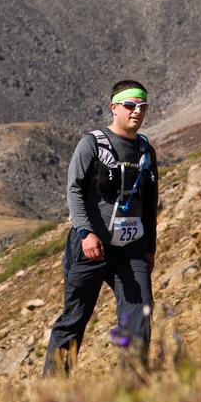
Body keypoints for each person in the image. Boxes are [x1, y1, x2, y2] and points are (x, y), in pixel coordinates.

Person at [42, 79, 159, 375]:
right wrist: (85, 232)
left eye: (142, 106)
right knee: (75, 318)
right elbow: (74, 191)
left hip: (131, 249)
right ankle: (53, 393)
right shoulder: (92, 144)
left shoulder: (146, 151)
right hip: (90, 248)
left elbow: (150, 203)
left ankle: (134, 384)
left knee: (139, 312)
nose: (137, 112)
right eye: (130, 106)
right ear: (114, 107)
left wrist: (149, 248)